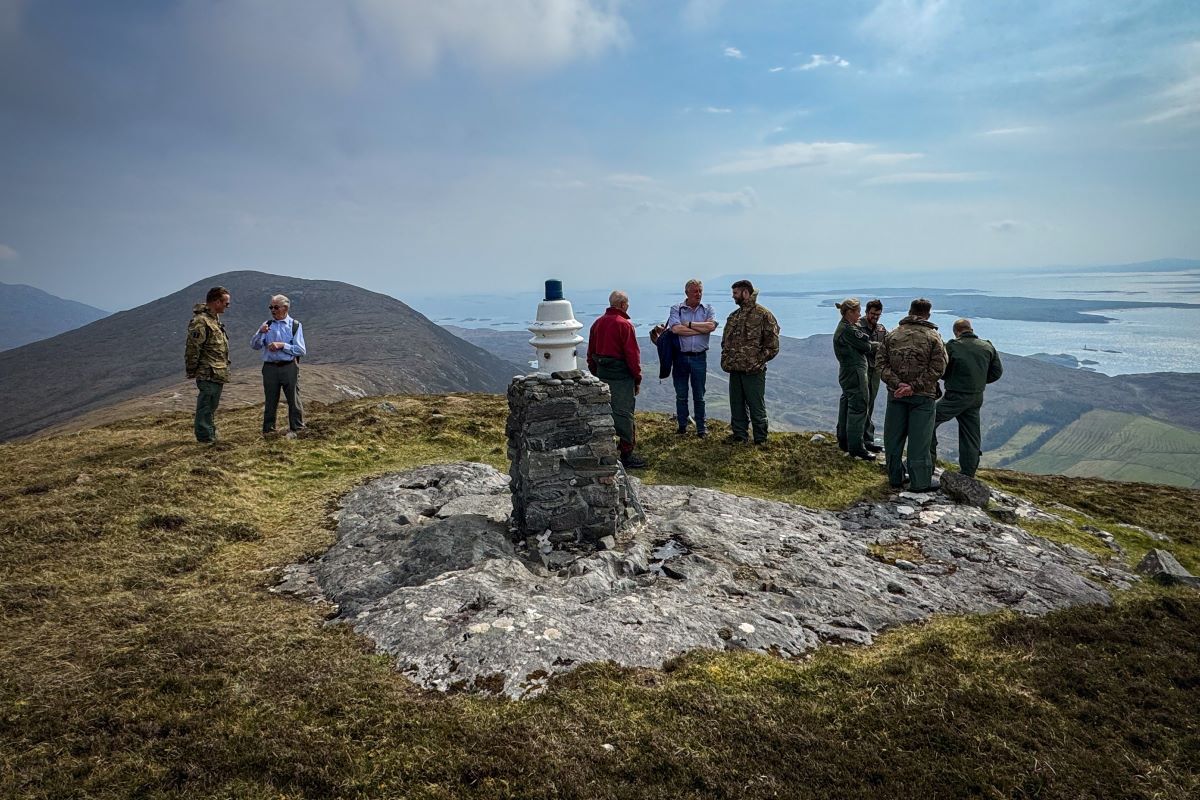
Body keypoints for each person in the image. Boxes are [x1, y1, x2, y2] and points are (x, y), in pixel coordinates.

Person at [878, 298, 947, 492]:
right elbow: (938, 368)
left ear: (909, 312)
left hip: (896, 394)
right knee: (919, 440)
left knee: (893, 438)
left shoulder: (892, 336)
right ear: (928, 315)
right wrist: (914, 386)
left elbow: (881, 365)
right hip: (923, 397)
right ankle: (920, 482)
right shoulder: (934, 337)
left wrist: (898, 384)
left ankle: (894, 477)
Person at [931, 318, 1003, 477]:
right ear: (971, 329)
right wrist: (979, 381)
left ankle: (927, 461)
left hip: (955, 396)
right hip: (976, 397)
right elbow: (997, 372)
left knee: (928, 420)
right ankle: (968, 472)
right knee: (970, 434)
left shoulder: (952, 347)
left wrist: (953, 380)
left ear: (956, 332)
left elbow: (941, 369)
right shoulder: (987, 346)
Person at [587, 290, 645, 469]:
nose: (628, 307)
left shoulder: (597, 324)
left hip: (602, 375)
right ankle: (626, 452)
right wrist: (637, 378)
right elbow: (632, 356)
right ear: (622, 305)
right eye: (627, 304)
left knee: (605, 411)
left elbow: (591, 354)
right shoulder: (625, 325)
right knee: (625, 414)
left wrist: (596, 374)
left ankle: (606, 448)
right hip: (622, 378)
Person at [720, 280, 780, 445]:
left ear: (745, 293)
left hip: (754, 371)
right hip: (735, 369)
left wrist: (757, 361)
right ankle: (740, 436)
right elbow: (725, 341)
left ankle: (760, 439)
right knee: (736, 405)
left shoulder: (763, 315)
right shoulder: (734, 316)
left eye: (735, 293)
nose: (733, 297)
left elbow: (773, 345)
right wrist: (727, 358)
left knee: (756, 406)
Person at [667, 278, 718, 437]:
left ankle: (701, 429)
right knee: (681, 394)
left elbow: (711, 326)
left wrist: (688, 325)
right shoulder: (677, 308)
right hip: (680, 357)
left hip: (699, 357)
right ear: (687, 292)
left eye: (700, 291)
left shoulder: (708, 308)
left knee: (699, 395)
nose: (699, 294)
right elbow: (675, 329)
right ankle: (682, 426)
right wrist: (700, 329)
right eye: (695, 291)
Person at [251, 293, 307, 436]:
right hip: (269, 368)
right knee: (270, 400)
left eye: (276, 307)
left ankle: (297, 428)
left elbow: (301, 350)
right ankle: (268, 431)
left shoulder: (294, 325)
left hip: (288, 366)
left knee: (293, 399)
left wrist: (283, 345)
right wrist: (260, 334)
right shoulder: (267, 325)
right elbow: (255, 345)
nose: (273, 310)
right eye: (271, 307)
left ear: (285, 308)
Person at [184, 286, 232, 444]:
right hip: (207, 372)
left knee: (211, 405)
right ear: (217, 302)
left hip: (217, 372)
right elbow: (193, 347)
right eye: (226, 303)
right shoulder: (201, 321)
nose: (227, 306)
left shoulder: (214, 320)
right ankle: (205, 438)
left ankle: (210, 434)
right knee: (206, 405)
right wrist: (192, 369)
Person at [833, 298, 877, 461]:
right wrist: (880, 345)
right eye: (858, 311)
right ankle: (857, 447)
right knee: (858, 406)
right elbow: (866, 346)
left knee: (847, 404)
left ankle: (844, 441)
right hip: (855, 373)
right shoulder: (848, 330)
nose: (860, 314)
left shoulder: (845, 328)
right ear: (849, 312)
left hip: (847, 372)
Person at [858, 299, 887, 453]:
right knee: (860, 404)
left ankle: (867, 438)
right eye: (873, 314)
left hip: (875, 370)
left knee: (870, 404)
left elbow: (887, 346)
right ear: (866, 312)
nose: (875, 317)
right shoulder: (857, 327)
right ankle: (858, 438)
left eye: (878, 314)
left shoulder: (881, 330)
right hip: (862, 369)